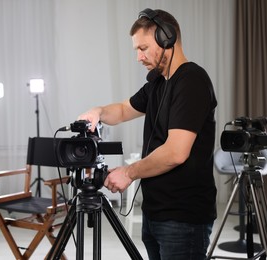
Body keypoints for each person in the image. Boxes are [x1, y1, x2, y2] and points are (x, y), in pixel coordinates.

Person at [78, 8, 217, 260]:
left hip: (183, 217)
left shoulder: (192, 80)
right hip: (156, 212)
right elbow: (122, 110)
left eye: (143, 48)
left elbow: (176, 152)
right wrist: (96, 111)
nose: (138, 57)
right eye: (136, 50)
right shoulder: (157, 81)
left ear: (167, 39)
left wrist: (128, 173)